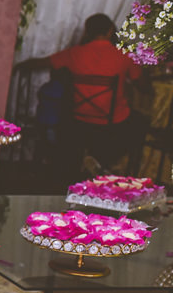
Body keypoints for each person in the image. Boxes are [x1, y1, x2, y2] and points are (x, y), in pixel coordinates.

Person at [19, 13, 145, 176]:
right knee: (140, 123)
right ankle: (109, 162)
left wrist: (20, 64)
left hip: (79, 120)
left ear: (87, 32)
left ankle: (94, 159)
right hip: (111, 123)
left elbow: (43, 62)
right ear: (110, 31)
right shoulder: (124, 55)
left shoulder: (74, 53)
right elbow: (142, 85)